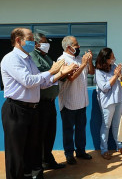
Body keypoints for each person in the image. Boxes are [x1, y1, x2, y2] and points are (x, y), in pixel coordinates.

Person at [1, 28, 75, 179]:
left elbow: (41, 83)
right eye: (29, 39)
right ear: (18, 40)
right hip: (16, 109)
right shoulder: (11, 59)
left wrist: (61, 73)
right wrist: (52, 71)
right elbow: (28, 81)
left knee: (31, 150)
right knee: (16, 153)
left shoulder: (28, 59)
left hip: (32, 110)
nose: (33, 43)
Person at [30, 33, 71, 172]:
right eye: (44, 42)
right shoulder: (33, 56)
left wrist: (64, 72)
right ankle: (39, 164)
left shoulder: (46, 56)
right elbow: (43, 75)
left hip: (50, 102)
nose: (47, 44)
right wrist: (58, 70)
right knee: (40, 135)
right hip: (40, 103)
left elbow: (55, 75)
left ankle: (48, 159)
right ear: (36, 44)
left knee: (50, 133)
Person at [58, 36, 95, 165]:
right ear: (69, 47)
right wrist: (83, 63)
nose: (78, 47)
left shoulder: (80, 58)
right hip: (68, 102)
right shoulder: (62, 60)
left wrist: (89, 61)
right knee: (68, 130)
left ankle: (81, 151)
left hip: (82, 101)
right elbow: (71, 78)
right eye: (76, 45)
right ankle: (69, 154)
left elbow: (91, 72)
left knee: (81, 129)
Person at [94, 48, 122, 160]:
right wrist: (115, 76)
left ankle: (120, 146)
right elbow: (104, 88)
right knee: (106, 125)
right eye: (112, 56)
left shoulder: (113, 67)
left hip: (118, 99)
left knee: (117, 124)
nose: (114, 58)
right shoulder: (98, 71)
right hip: (107, 102)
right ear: (106, 59)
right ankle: (104, 150)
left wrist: (120, 73)